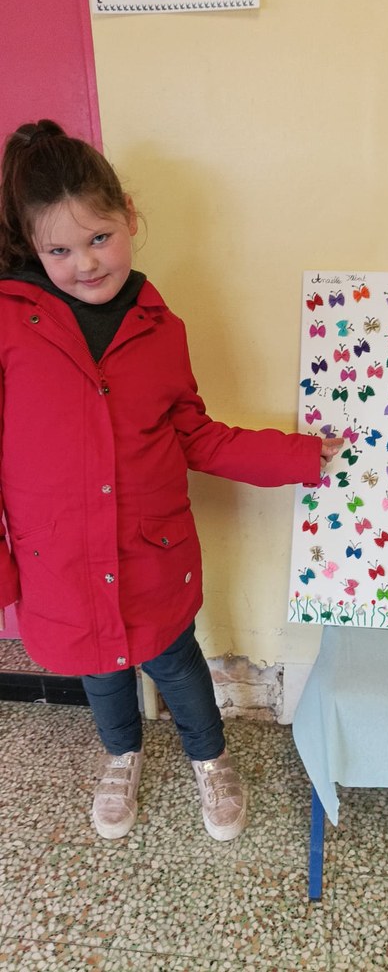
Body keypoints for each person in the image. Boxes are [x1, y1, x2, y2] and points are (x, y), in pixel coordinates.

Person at [0, 120, 342, 842]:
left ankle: (210, 758)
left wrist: (301, 458)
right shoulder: (9, 327)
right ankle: (121, 754)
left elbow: (195, 434)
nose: (85, 263)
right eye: (59, 250)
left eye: (99, 237)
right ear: (32, 247)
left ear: (129, 215)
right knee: (101, 671)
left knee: (176, 662)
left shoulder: (161, 327)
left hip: (150, 553)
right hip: (60, 561)